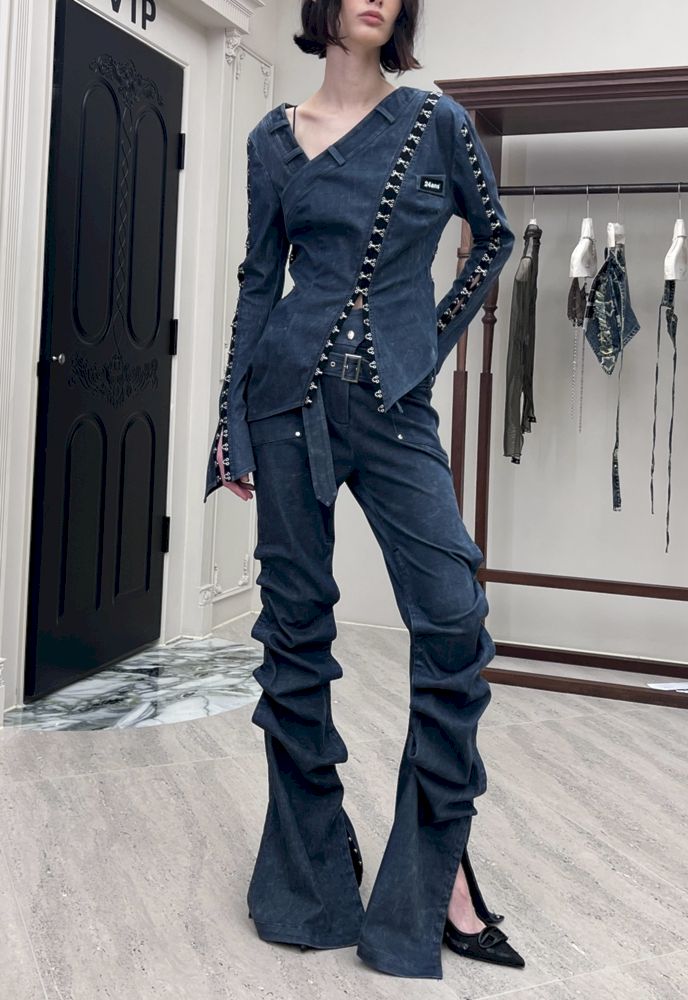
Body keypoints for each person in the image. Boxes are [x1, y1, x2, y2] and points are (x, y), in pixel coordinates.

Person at [204, 0, 523, 980]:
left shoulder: (437, 122)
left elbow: (494, 238)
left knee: (454, 618)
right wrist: (229, 420)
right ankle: (314, 859)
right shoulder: (273, 140)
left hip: (394, 409)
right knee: (295, 635)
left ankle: (436, 874)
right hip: (284, 402)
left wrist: (424, 344)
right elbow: (259, 282)